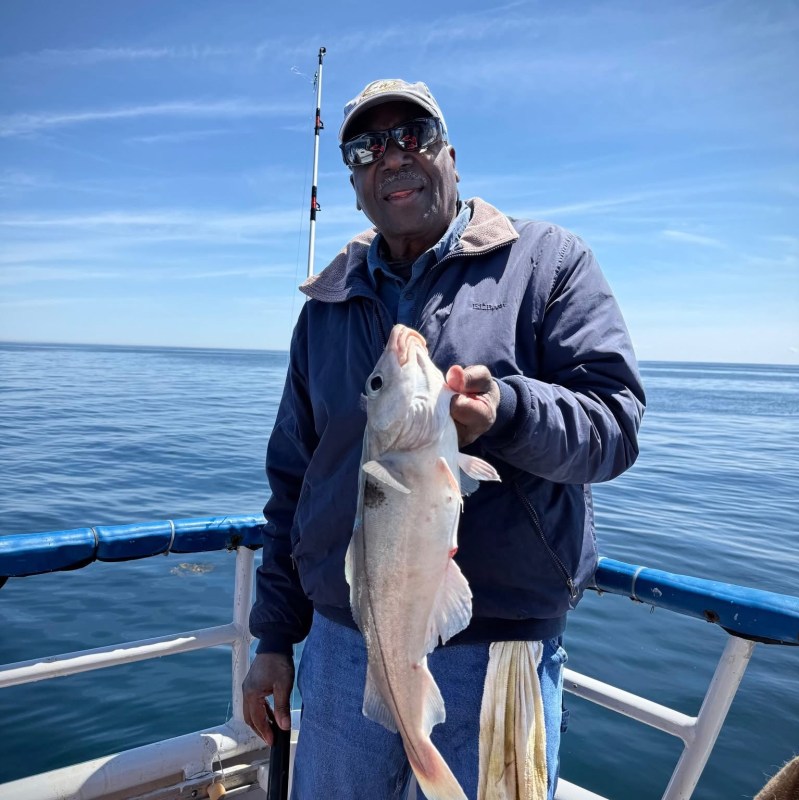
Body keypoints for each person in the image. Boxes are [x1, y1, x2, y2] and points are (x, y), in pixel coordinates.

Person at [243, 78, 645, 799]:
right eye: (366, 148)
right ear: (355, 183)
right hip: (345, 642)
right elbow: (293, 482)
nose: (391, 157)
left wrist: (507, 415)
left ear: (452, 156)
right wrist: (274, 637)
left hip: (500, 647)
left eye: (413, 137)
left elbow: (613, 426)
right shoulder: (326, 308)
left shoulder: (547, 263)